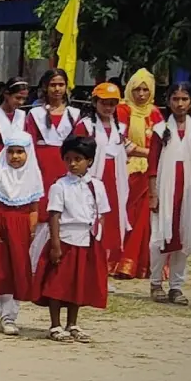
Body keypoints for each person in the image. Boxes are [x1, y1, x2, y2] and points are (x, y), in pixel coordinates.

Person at [34, 134, 110, 342]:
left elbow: (101, 214)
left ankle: (73, 323)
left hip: (87, 239)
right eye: (68, 159)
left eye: (78, 159)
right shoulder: (60, 186)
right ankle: (55, 324)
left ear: (90, 161)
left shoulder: (97, 185)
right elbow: (54, 216)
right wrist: (56, 245)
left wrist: (99, 239)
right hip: (66, 238)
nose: (73, 164)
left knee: (79, 283)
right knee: (58, 283)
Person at [0, 130, 43, 337]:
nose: (15, 156)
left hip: (19, 229)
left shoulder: (33, 176)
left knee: (15, 271)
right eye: (11, 151)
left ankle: (9, 318)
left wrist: (30, 232)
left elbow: (33, 207)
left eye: (20, 152)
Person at [149, 83, 191, 304]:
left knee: (184, 236)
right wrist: (153, 194)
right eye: (175, 99)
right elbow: (152, 165)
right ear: (168, 101)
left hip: (189, 189)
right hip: (165, 187)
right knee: (159, 237)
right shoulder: (160, 129)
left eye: (184, 99)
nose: (180, 104)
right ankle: (155, 283)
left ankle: (176, 286)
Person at [115, 70, 163, 278]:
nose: (141, 94)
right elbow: (119, 139)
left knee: (146, 217)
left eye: (146, 90)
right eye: (137, 89)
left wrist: (153, 155)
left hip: (152, 171)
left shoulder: (155, 113)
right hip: (128, 167)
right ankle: (122, 261)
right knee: (129, 215)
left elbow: (162, 140)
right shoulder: (122, 110)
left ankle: (142, 263)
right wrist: (145, 152)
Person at [84, 82, 130, 266]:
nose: (108, 107)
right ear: (95, 102)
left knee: (111, 221)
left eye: (112, 103)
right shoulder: (86, 126)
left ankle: (106, 265)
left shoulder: (121, 128)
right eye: (104, 102)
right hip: (94, 178)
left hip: (115, 181)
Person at [26, 69, 83, 193]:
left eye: (61, 85)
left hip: (66, 161)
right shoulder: (35, 114)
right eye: (53, 85)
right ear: (45, 87)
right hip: (41, 163)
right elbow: (30, 143)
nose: (57, 89)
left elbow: (78, 143)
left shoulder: (73, 114)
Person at [0, 78, 31, 155]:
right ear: (6, 94)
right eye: (18, 98)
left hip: (16, 157)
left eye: (24, 99)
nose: (21, 102)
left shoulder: (22, 115)